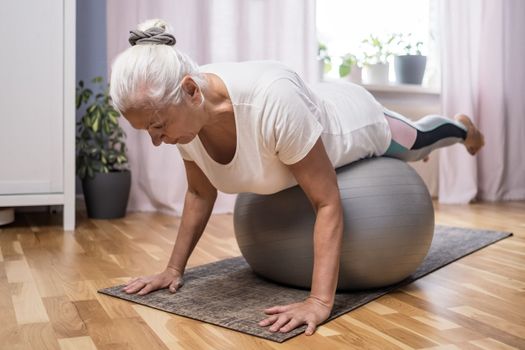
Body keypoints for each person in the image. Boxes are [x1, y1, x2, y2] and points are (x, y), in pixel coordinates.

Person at [110, 19, 484, 336]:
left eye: (158, 127)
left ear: (191, 91)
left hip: (352, 120)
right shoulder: (182, 118)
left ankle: (461, 129)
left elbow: (326, 201)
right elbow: (198, 191)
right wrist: (172, 269)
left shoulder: (269, 100)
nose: (157, 142)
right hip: (301, 114)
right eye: (147, 132)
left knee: (418, 141)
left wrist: (320, 302)